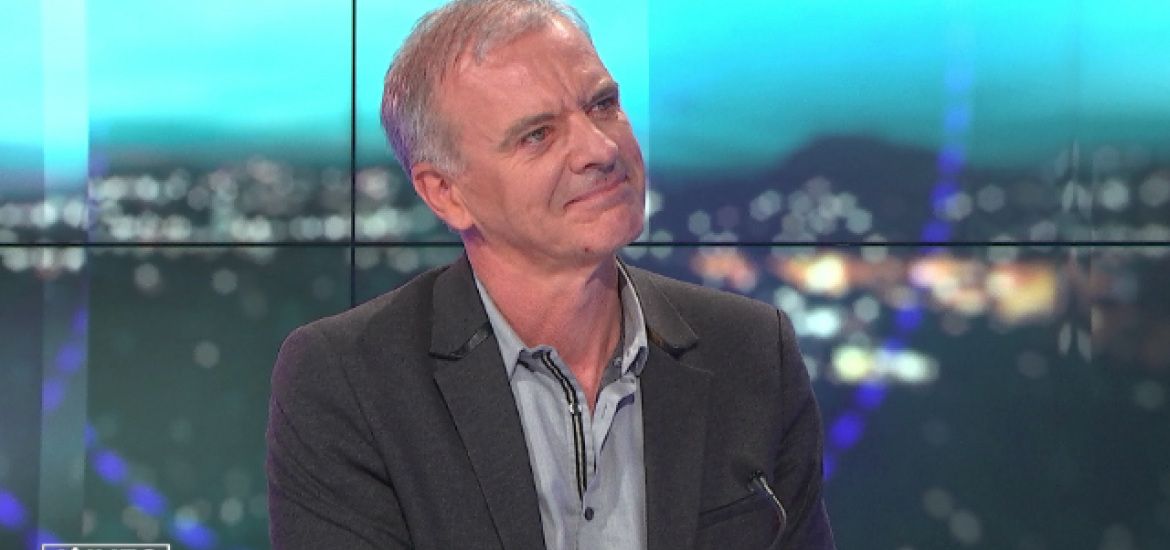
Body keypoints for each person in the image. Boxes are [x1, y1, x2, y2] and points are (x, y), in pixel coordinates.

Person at [265, 0, 835, 548]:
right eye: (538, 134)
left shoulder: (754, 351)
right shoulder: (349, 381)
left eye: (603, 105)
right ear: (446, 193)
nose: (600, 148)